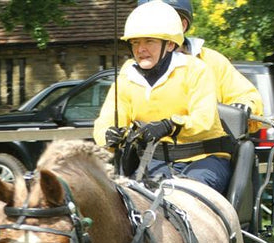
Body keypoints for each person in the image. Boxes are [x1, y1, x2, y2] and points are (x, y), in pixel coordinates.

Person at [93, 0, 233, 194]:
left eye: (149, 41)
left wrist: (170, 125)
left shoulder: (196, 70)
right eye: (135, 42)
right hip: (154, 161)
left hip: (205, 159)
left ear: (169, 44)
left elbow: (204, 119)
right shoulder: (127, 75)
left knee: (186, 198)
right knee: (131, 200)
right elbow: (106, 118)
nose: (140, 49)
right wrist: (108, 135)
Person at [136, 0, 263, 121]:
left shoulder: (212, 61)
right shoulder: (133, 69)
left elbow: (244, 94)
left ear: (182, 25)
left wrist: (243, 105)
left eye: (159, 21)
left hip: (206, 141)